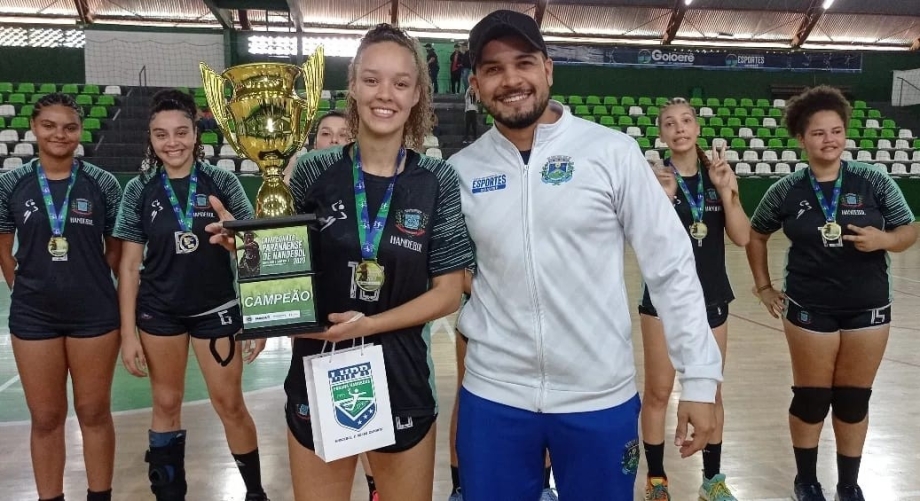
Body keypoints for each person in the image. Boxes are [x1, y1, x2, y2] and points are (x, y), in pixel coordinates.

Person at [449, 10, 723, 500]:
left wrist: (699, 380)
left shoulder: (611, 152)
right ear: (476, 83)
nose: (511, 80)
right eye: (493, 68)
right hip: (494, 397)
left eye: (524, 63)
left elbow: (671, 266)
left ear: (548, 69)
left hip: (599, 397)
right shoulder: (461, 170)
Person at [207, 23, 473, 501]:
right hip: (317, 369)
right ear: (352, 86)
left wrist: (366, 326)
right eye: (371, 80)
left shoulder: (437, 179)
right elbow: (289, 270)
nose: (384, 94)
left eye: (400, 82)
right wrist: (252, 254)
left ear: (417, 95)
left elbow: (449, 292)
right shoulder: (312, 170)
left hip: (401, 374)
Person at [746, 85, 917, 501]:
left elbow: (909, 229)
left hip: (869, 308)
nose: (830, 139)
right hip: (810, 307)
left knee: (854, 400)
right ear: (802, 138)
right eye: (819, 133)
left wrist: (886, 241)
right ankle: (806, 482)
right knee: (811, 398)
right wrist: (764, 287)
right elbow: (756, 235)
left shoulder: (874, 180)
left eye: (836, 130)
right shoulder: (785, 190)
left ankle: (848, 486)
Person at [114, 89, 270, 501]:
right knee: (165, 403)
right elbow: (129, 266)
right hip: (159, 313)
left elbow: (251, 250)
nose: (172, 143)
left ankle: (255, 493)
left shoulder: (223, 182)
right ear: (150, 138)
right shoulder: (139, 190)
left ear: (195, 134)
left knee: (230, 404)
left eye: (181, 132)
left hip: (216, 309)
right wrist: (128, 333)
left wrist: (256, 312)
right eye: (161, 135)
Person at [0, 92, 122, 501]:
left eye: (69, 126)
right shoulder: (10, 184)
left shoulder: (103, 183)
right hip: (34, 317)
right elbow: (4, 248)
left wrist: (85, 280)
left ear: (79, 131)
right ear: (34, 128)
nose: (59, 134)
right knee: (46, 417)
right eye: (49, 125)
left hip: (95, 316)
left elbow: (116, 248)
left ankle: (99, 496)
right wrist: (28, 288)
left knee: (93, 412)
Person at [640, 99, 750, 501]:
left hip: (712, 299)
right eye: (669, 123)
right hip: (662, 302)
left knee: (712, 392)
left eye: (686, 120)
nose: (679, 127)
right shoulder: (654, 179)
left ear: (698, 129)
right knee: (657, 391)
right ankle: (656, 480)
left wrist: (728, 191)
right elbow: (647, 242)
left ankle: (712, 481)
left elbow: (741, 236)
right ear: (662, 134)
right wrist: (665, 200)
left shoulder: (718, 175)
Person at [283, 110, 350, 184]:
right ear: (315, 143)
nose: (334, 140)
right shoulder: (303, 168)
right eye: (326, 134)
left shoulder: (360, 174)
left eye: (343, 134)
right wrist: (293, 161)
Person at [462, 78, 479, 144]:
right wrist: (471, 85)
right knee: (467, 126)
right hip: (468, 112)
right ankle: (466, 138)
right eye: (471, 91)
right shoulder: (467, 98)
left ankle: (475, 138)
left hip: (474, 112)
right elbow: (467, 92)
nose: (471, 92)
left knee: (474, 126)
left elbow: (477, 92)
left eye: (473, 91)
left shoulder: (476, 98)